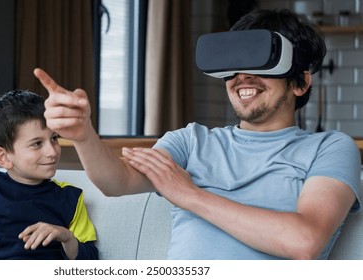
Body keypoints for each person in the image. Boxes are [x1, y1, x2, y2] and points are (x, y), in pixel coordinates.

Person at [34, 9, 361, 260]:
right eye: (235, 64)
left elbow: (303, 241)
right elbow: (116, 182)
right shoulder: (190, 141)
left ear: (301, 82)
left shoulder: (330, 148)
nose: (243, 77)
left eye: (261, 63)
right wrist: (83, 134)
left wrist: (189, 194)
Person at [0, 90, 98, 260]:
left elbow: (90, 262)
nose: (52, 151)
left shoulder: (71, 197)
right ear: (3, 157)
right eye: (37, 143)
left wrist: (66, 237)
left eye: (54, 138)